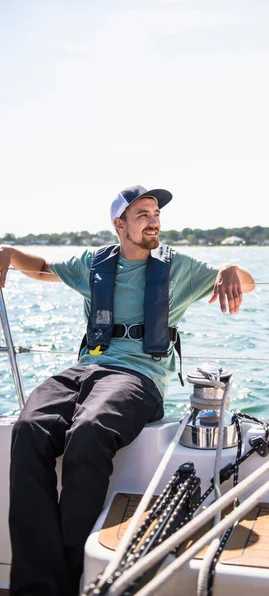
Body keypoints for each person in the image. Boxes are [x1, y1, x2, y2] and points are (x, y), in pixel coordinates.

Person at [0, 185, 255, 596]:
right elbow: (43, 266)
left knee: (89, 431)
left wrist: (230, 267)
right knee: (29, 429)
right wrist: (9, 252)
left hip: (139, 378)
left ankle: (73, 575)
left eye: (156, 214)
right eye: (143, 215)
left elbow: (248, 283)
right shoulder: (94, 263)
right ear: (120, 225)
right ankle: (36, 585)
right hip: (85, 367)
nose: (154, 221)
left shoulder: (179, 267)